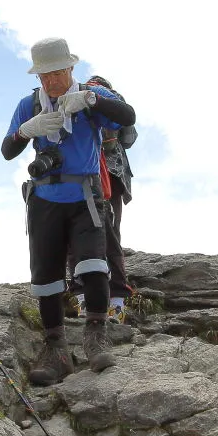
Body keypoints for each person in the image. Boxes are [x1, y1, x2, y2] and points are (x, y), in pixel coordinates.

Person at [2, 38, 136, 386]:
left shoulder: (87, 99)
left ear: (71, 69)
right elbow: (6, 151)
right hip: (44, 199)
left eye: (57, 73)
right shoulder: (28, 104)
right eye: (44, 75)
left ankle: (96, 335)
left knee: (93, 265)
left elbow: (128, 117)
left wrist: (92, 100)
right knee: (46, 278)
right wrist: (24, 131)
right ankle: (56, 349)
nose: (51, 82)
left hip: (85, 196)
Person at [69, 74, 137, 324]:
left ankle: (81, 296)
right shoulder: (114, 100)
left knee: (76, 234)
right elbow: (128, 139)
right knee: (111, 232)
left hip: (81, 173)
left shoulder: (75, 96)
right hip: (113, 173)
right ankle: (116, 303)